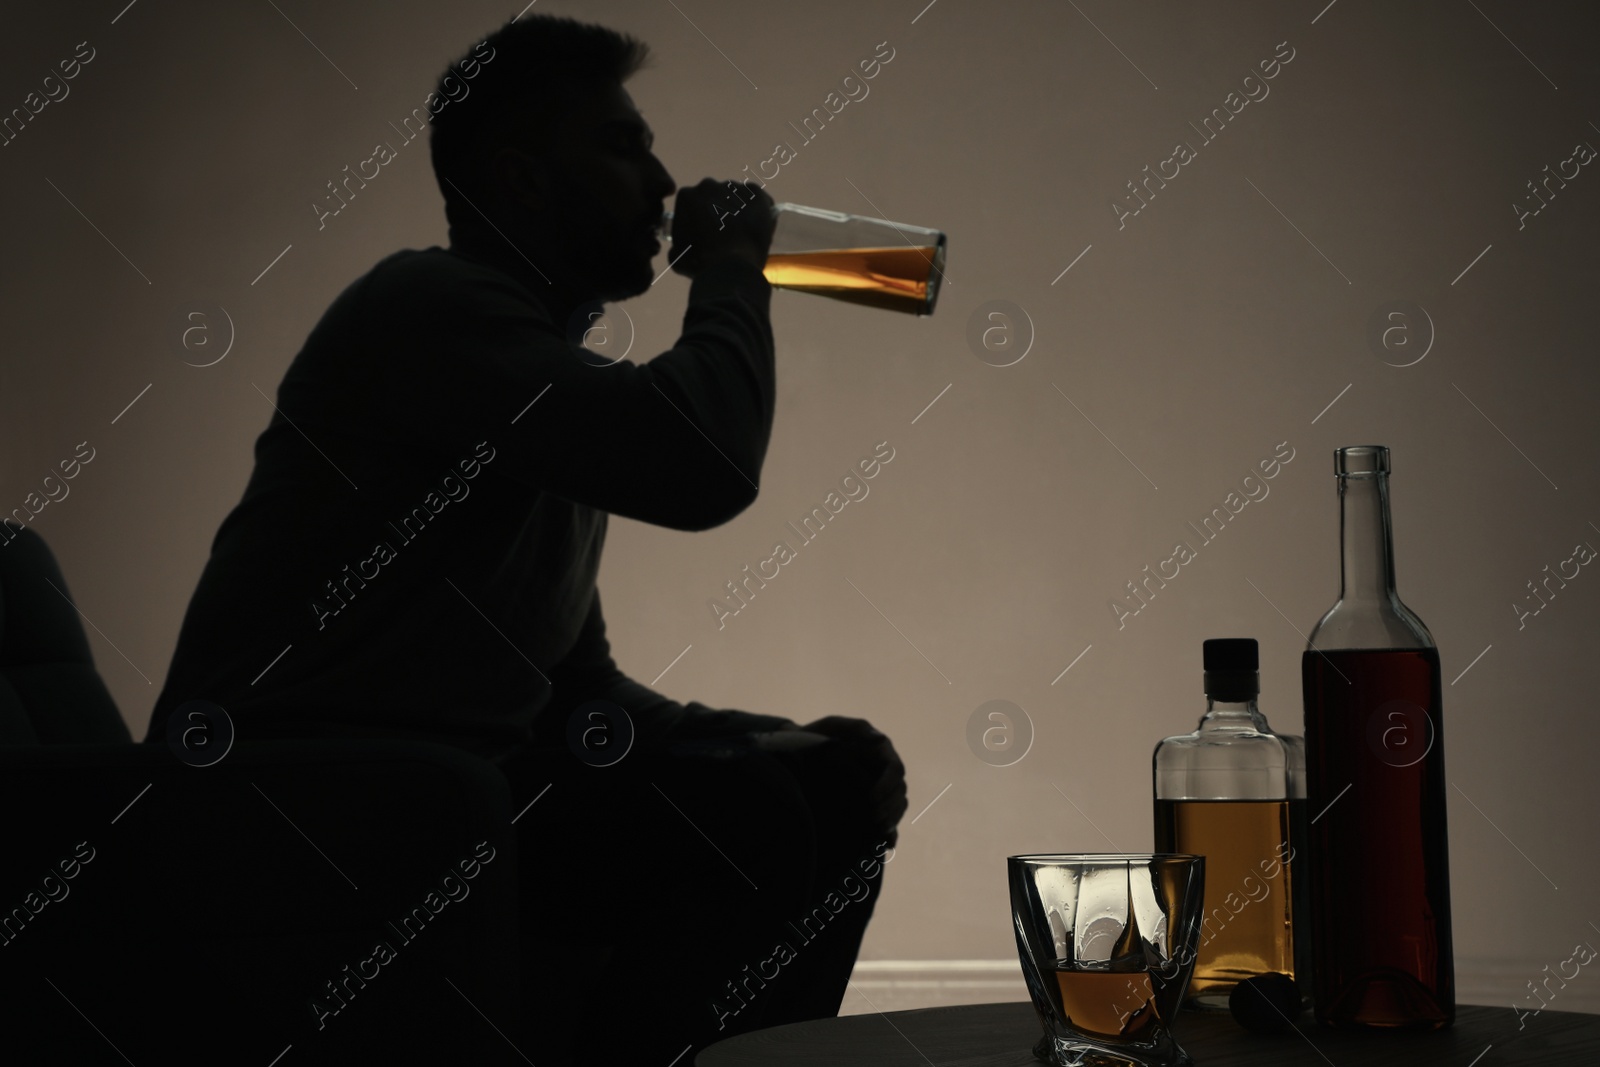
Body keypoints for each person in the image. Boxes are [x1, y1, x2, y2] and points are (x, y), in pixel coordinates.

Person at [143, 12, 906, 1064]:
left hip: (444, 803)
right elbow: (702, 464)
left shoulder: (535, 382)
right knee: (748, 820)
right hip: (307, 817)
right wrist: (733, 265)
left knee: (822, 783)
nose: (662, 181)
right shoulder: (426, 310)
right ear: (521, 182)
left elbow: (574, 685)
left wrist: (768, 733)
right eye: (620, 145)